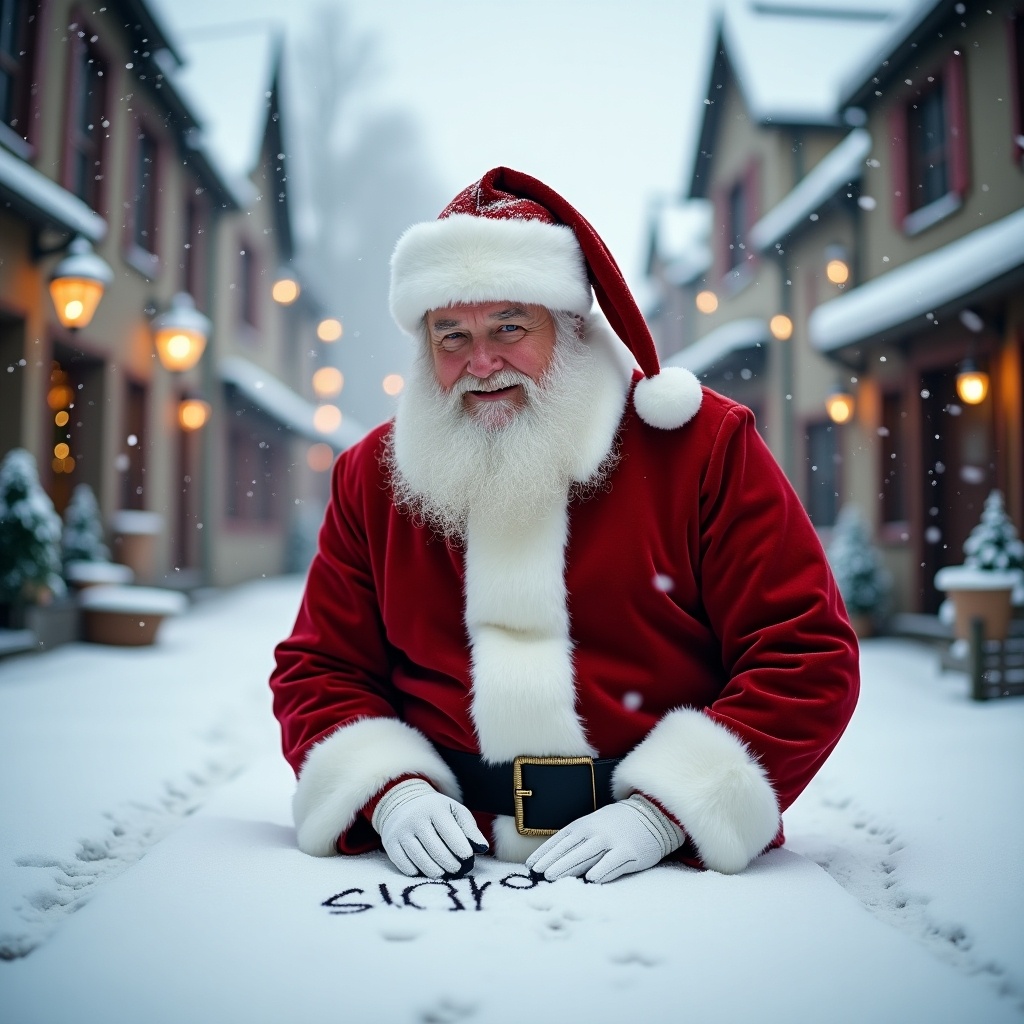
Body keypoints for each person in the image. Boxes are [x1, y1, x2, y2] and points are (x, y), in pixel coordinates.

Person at [270, 167, 859, 885]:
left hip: (668, 868)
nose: (481, 363)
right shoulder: (373, 475)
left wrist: (667, 810)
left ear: (572, 324)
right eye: (450, 336)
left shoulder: (700, 446)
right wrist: (390, 792)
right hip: (445, 866)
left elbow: (804, 655)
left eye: (510, 328)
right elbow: (321, 669)